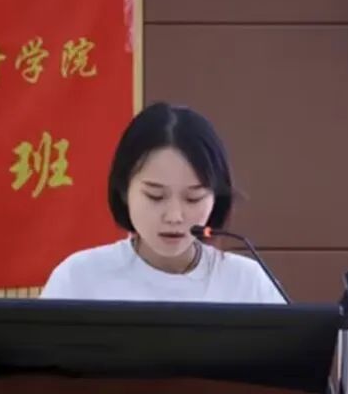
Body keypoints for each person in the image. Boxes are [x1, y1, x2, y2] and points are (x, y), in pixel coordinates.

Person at [40, 102, 285, 304]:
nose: (174, 216)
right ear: (124, 190)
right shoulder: (79, 279)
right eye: (155, 196)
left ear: (215, 197)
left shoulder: (247, 283)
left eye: (193, 198)